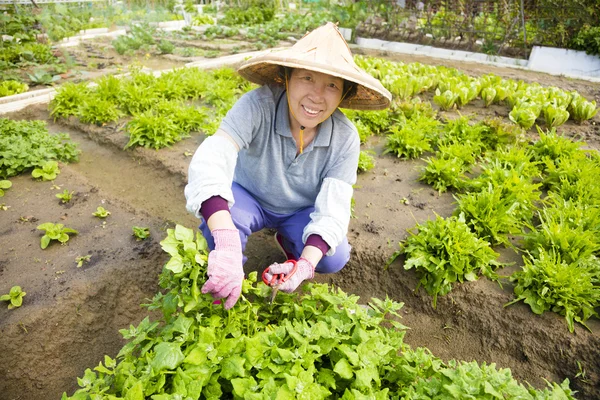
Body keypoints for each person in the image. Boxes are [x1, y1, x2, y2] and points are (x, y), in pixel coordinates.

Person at [184, 22, 391, 309]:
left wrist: (305, 265)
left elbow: (335, 208)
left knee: (333, 256)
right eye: (307, 78)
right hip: (249, 196)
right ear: (286, 77)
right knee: (217, 227)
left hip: (298, 211)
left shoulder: (345, 138)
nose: (317, 96)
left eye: (332, 85)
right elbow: (212, 157)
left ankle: (290, 245)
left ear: (344, 94)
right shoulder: (257, 105)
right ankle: (226, 269)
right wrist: (226, 239)